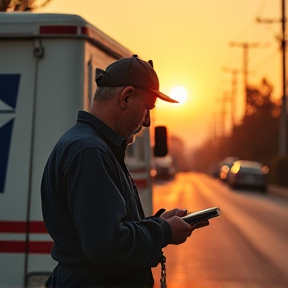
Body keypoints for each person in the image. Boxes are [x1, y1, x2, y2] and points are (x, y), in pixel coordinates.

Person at [41, 55, 209, 288]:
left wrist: (157, 223)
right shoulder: (90, 151)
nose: (148, 121)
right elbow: (107, 246)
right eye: (147, 108)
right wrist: (163, 231)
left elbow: (108, 230)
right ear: (126, 97)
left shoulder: (96, 147)